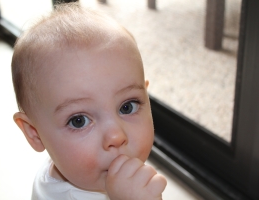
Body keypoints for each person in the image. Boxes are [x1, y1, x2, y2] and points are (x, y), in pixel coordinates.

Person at [11, 2, 167, 200]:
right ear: (34, 133)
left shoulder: (67, 170)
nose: (116, 136)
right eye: (79, 120)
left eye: (127, 107)